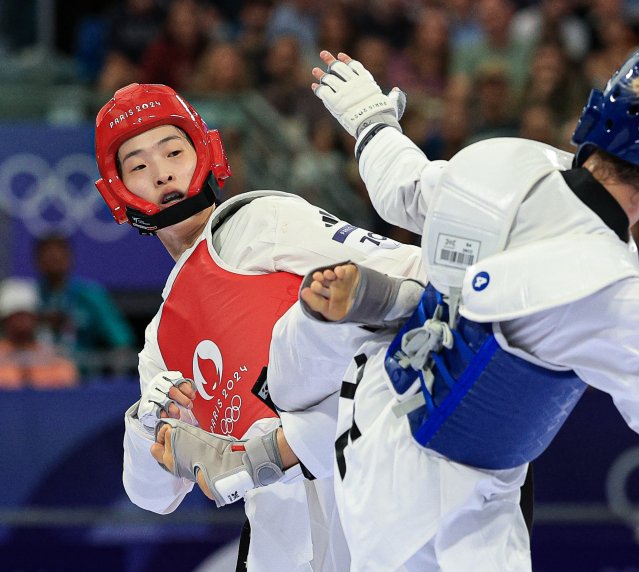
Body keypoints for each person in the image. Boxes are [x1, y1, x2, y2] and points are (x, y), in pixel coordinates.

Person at [304, 39, 639, 570]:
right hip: (449, 517)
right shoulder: (613, 294)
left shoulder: (503, 160)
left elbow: (401, 192)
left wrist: (371, 119)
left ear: (602, 109)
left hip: (369, 430)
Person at [93, 83, 424, 571]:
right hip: (280, 544)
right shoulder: (160, 341)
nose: (161, 172)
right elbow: (154, 498)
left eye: (174, 152)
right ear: (119, 190)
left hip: (368, 499)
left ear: (205, 153)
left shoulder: (258, 220)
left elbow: (410, 275)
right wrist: (144, 424)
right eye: (138, 166)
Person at [34, 234, 136, 378]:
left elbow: (121, 339)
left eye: (58, 259)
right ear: (37, 262)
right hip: (39, 377)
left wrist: (117, 377)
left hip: (84, 378)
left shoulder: (90, 295)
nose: (53, 264)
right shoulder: (29, 295)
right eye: (49, 259)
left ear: (69, 259)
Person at [0, 277, 78, 389]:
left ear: (36, 318)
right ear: (4, 320)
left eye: (26, 315)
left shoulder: (56, 360)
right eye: (16, 315)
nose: (22, 320)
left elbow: (67, 385)